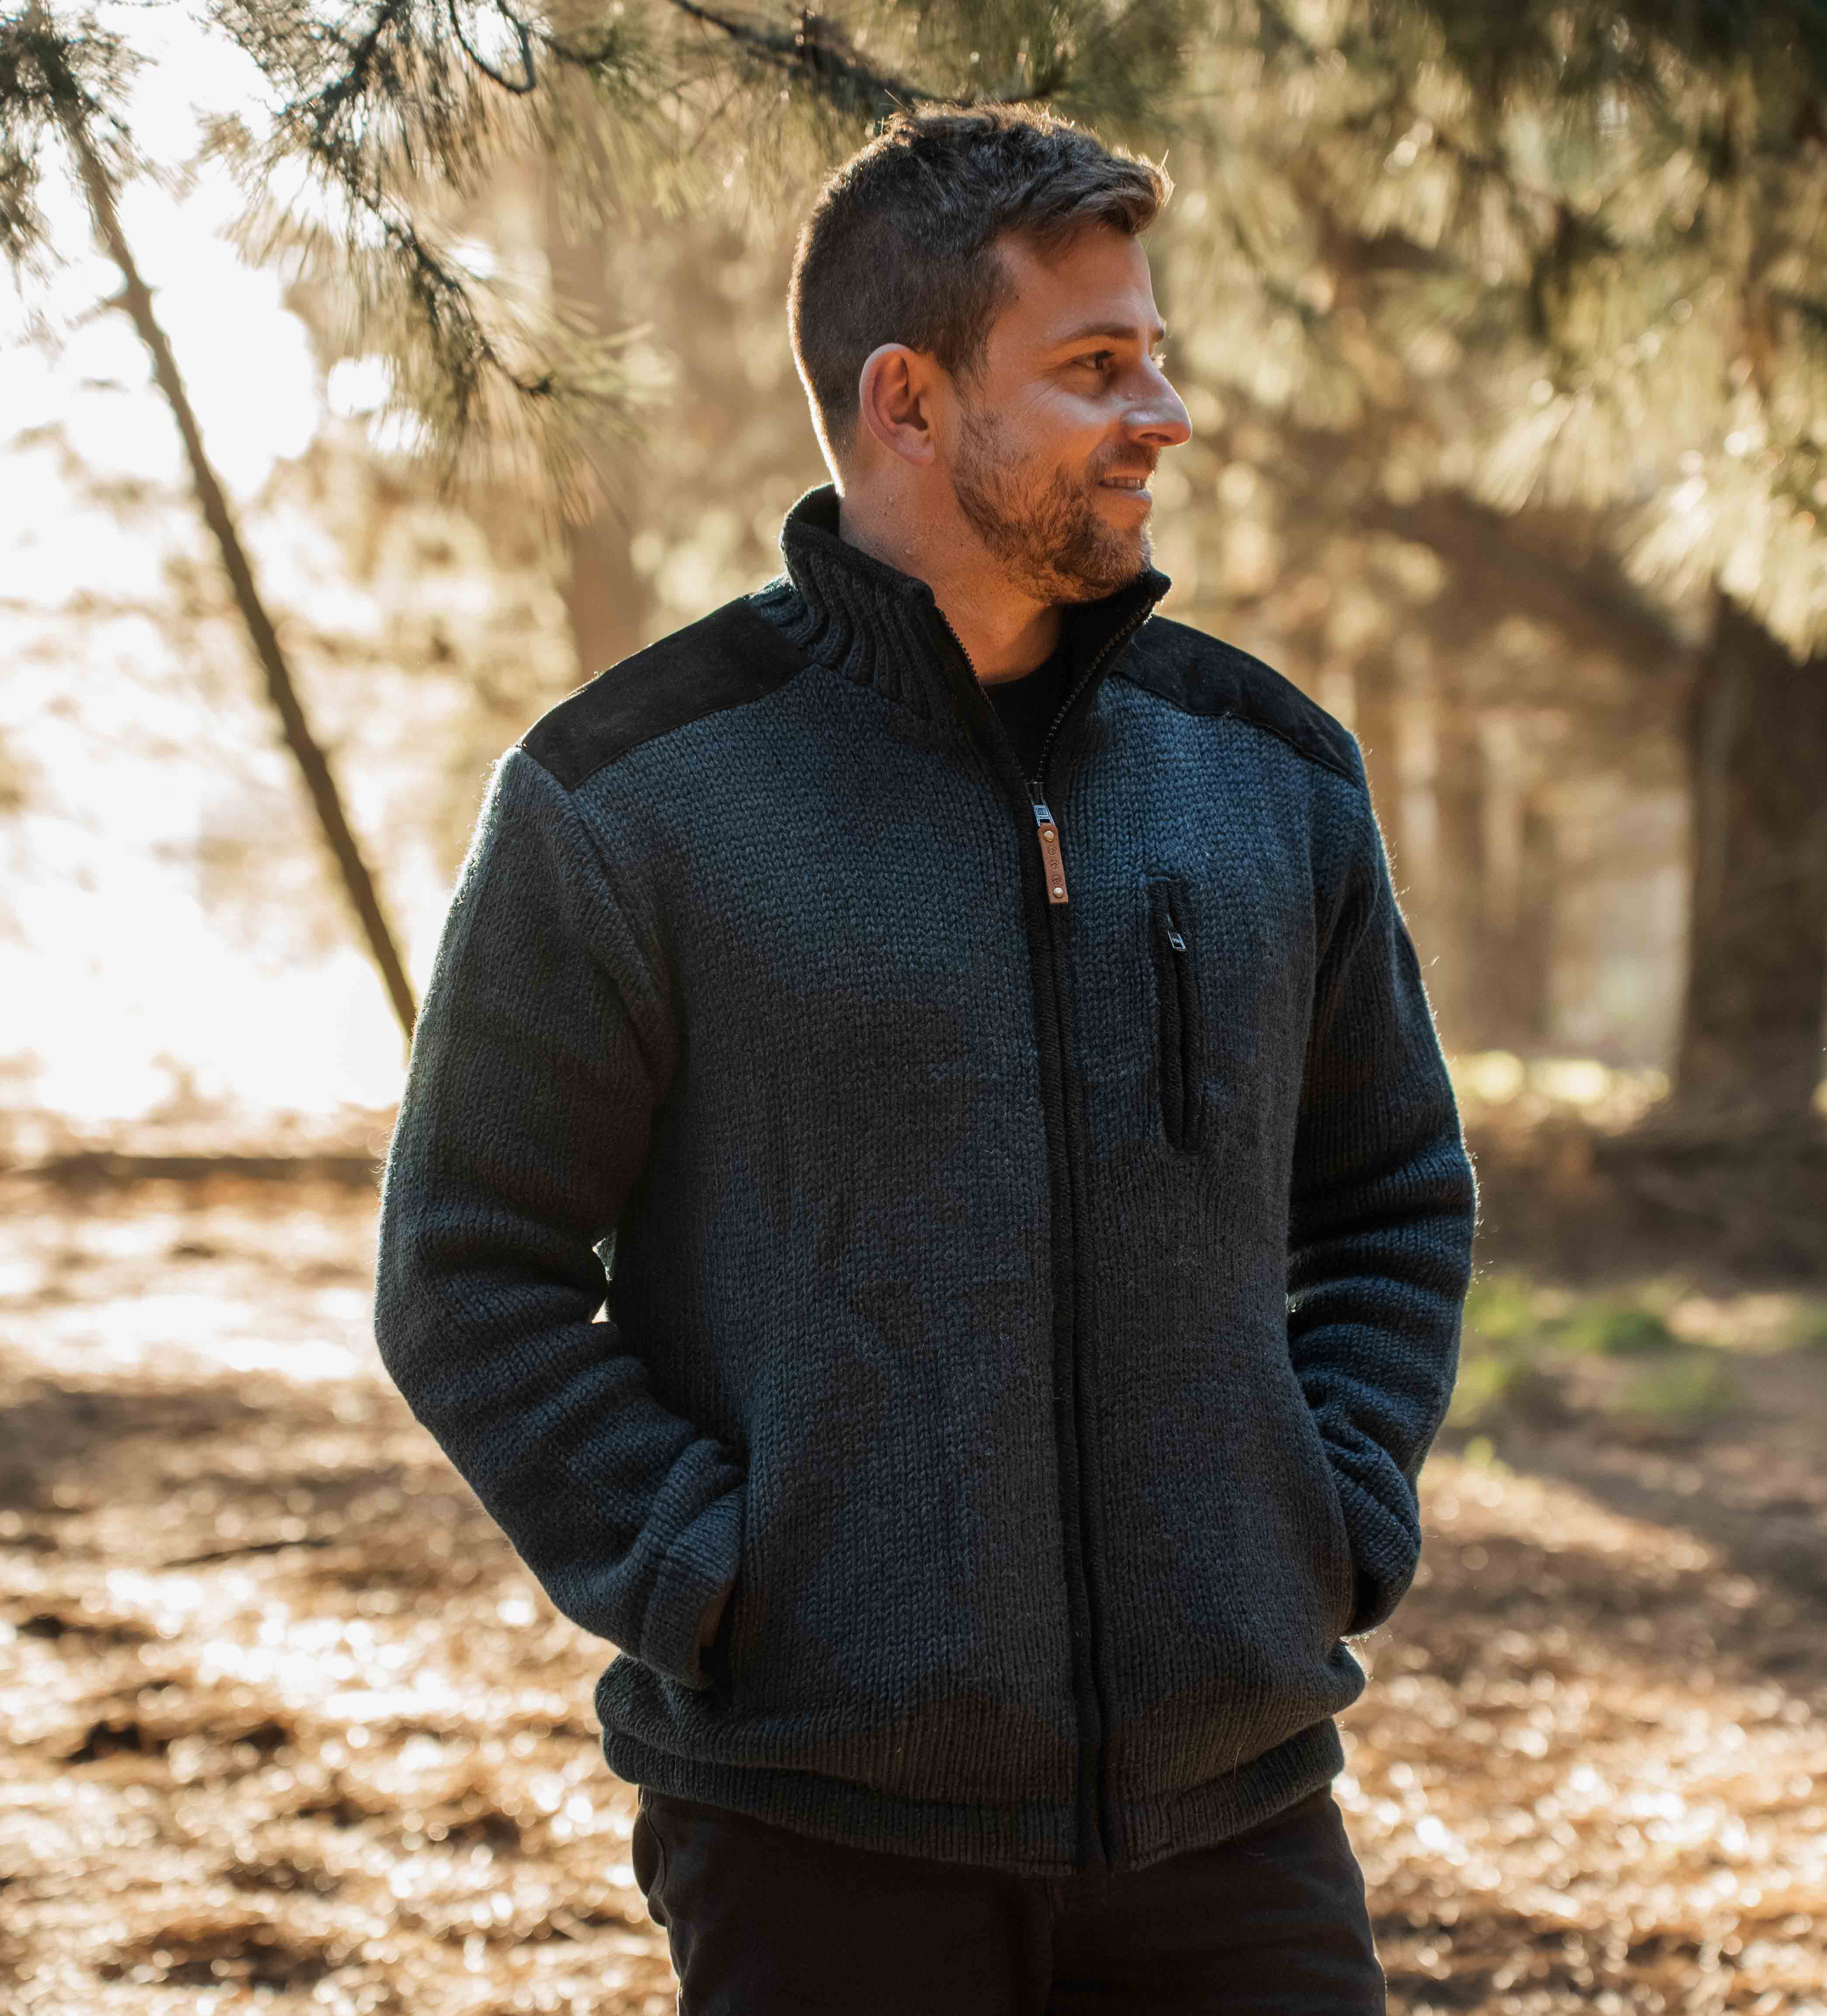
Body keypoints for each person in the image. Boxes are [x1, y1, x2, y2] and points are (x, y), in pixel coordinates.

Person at [374, 103, 1476, 2014]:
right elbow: (468, 1266)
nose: (1164, 414)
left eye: (1155, 355)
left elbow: (1392, 1191)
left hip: (1236, 1826)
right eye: (1094, 366)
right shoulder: (629, 798)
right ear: (908, 399)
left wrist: (1330, 1509)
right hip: (818, 1840)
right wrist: (711, 1574)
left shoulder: (1269, 772)